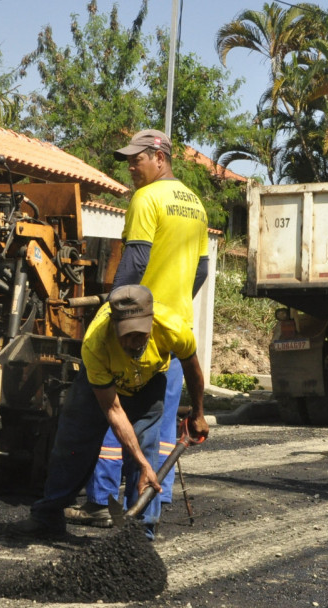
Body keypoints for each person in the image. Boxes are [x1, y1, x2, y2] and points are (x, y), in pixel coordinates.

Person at [67, 129, 210, 528]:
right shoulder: (196, 205)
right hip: (173, 330)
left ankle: (99, 502)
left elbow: (133, 264)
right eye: (129, 161)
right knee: (158, 428)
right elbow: (201, 269)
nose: (131, 168)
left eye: (137, 160)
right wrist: (174, 302)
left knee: (117, 416)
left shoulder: (147, 199)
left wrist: (117, 312)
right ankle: (149, 507)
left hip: (137, 325)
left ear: (160, 158)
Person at [10, 285, 209, 541]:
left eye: (140, 335)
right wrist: (142, 463)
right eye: (126, 335)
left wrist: (199, 414)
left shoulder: (173, 327)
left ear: (151, 322)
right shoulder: (96, 343)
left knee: (146, 447)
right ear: (114, 326)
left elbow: (193, 371)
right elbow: (114, 411)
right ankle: (47, 517)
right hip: (101, 388)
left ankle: (139, 533)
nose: (133, 342)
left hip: (149, 382)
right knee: (72, 446)